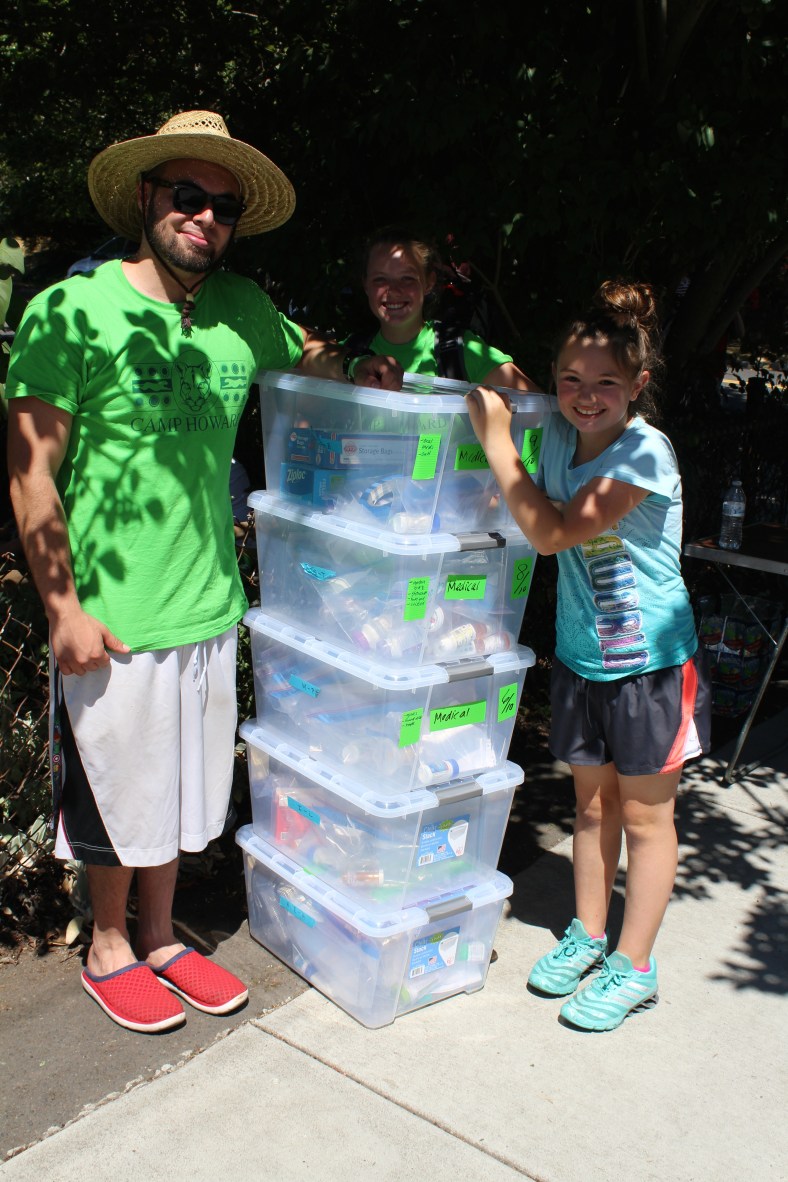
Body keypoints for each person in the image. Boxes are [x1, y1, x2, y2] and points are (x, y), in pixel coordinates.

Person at [6, 110, 401, 1034]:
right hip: (115, 609)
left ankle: (159, 935)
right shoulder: (73, 310)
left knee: (181, 786)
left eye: (222, 205)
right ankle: (108, 945)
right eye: (188, 196)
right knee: (115, 786)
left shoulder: (240, 308)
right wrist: (61, 605)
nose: (206, 217)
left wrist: (358, 368)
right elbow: (30, 471)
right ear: (147, 199)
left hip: (211, 603)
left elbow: (303, 355)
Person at [466, 280, 711, 1032]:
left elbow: (552, 532)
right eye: (570, 380)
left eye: (606, 382)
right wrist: (498, 378)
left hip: (649, 667)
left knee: (645, 820)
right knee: (591, 806)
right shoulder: (565, 436)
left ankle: (634, 966)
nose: (584, 395)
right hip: (581, 658)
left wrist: (499, 442)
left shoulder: (642, 451)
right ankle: (590, 934)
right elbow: (494, 372)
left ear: (638, 385)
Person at [344, 226, 541, 390]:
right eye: (380, 279)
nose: (394, 290)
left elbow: (538, 408)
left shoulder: (462, 350)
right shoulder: (345, 355)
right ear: (366, 285)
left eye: (407, 278)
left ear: (429, 283)